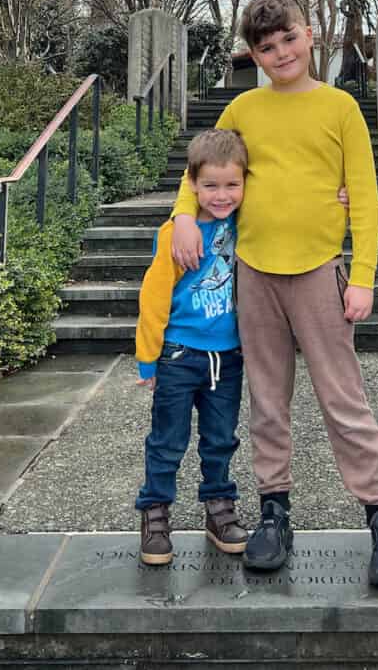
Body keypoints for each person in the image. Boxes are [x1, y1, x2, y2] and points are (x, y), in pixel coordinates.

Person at [170, 0, 378, 587]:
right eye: (266, 47)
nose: (280, 53)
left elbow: (365, 193)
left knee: (343, 399)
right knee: (267, 400)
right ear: (253, 54)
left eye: (288, 40)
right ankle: (274, 510)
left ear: (310, 35)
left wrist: (363, 276)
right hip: (253, 273)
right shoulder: (243, 110)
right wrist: (181, 215)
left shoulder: (340, 107)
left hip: (319, 271)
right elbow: (198, 170)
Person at [134, 128, 249, 566]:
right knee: (167, 440)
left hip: (229, 355)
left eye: (232, 185)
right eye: (210, 185)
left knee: (221, 439)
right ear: (192, 184)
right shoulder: (175, 235)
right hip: (179, 354)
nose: (221, 196)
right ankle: (155, 510)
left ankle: (219, 507)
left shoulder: (245, 223)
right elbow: (154, 297)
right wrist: (148, 357)